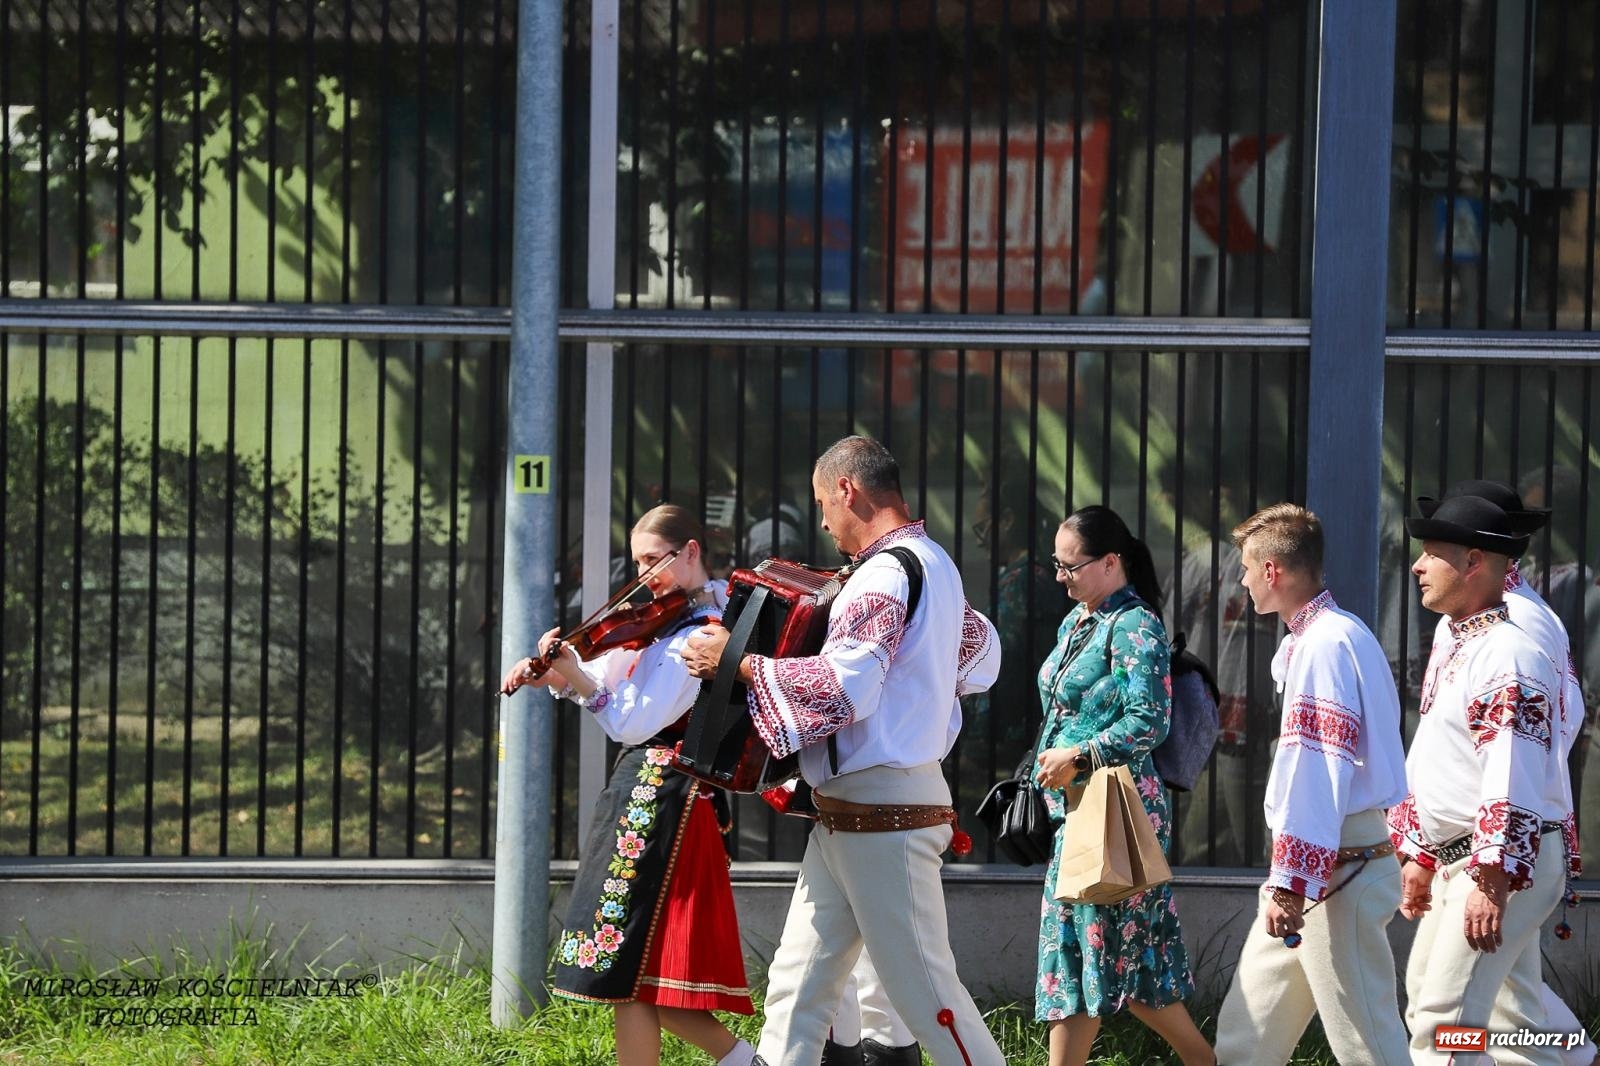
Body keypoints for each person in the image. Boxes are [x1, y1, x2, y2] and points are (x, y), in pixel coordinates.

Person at [682, 434, 1007, 1066]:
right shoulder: (933, 562)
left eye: (822, 503)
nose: (824, 521)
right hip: (863, 809)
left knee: (930, 1000)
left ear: (846, 490)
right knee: (798, 987)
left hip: (882, 811)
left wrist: (739, 663)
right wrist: (922, 687)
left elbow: (847, 689)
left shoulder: (883, 574)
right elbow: (983, 657)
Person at [499, 504, 757, 1066]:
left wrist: (575, 679)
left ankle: (752, 1061)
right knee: (627, 974)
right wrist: (565, 670)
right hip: (643, 795)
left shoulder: (709, 633)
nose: (643, 575)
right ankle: (748, 1062)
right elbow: (603, 678)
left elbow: (632, 721)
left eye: (652, 559)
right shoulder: (660, 622)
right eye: (636, 560)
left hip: (672, 801)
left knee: (633, 964)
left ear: (690, 551)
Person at [1211, 504, 1410, 1065]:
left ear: (1272, 570)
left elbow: (1318, 767)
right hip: (1327, 863)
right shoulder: (1331, 634)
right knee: (1246, 1035)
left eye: (1247, 568)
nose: (1243, 580)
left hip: (1334, 868)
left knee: (1367, 1043)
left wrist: (1292, 880)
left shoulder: (1324, 642)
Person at [1388, 495, 1572, 1066]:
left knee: (1442, 1024)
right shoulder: (1467, 639)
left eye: (1432, 555)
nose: (1417, 566)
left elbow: (1511, 768)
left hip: (1495, 865)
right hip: (1471, 859)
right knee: (1503, 1025)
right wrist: (1422, 852)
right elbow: (1441, 756)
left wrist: (1492, 877)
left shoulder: (1508, 652)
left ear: (1472, 562)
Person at [1031, 505, 1212, 1066]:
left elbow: (1149, 719)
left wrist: (1080, 754)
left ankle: (1205, 1062)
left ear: (1111, 561)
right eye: (1056, 566)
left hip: (1118, 811)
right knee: (1081, 956)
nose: (1061, 577)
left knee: (1114, 956)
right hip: (1077, 809)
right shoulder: (1079, 620)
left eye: (1070, 566)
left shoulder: (1135, 625)